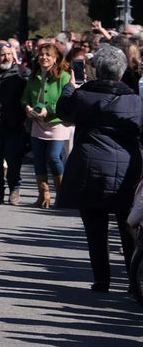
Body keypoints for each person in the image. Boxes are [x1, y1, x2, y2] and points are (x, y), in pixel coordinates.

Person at [54, 45, 142, 293]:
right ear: (121, 72)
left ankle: (102, 280)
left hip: (89, 165)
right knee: (128, 228)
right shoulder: (135, 100)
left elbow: (63, 113)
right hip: (127, 168)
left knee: (95, 227)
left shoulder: (82, 96)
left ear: (96, 70)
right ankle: (134, 282)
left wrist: (70, 86)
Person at [23, 42, 73, 209]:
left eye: (48, 55)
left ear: (55, 58)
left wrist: (49, 110)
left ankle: (62, 194)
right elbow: (25, 98)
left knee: (53, 156)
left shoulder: (64, 76)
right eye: (41, 55)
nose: (44, 58)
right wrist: (28, 108)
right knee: (38, 159)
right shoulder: (34, 75)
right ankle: (43, 194)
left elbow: (67, 100)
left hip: (57, 122)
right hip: (37, 123)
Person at [0, 40, 30, 205]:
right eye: (2, 55)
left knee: (14, 159)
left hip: (15, 124)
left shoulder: (22, 73)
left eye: (9, 54)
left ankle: (14, 189)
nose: (6, 58)